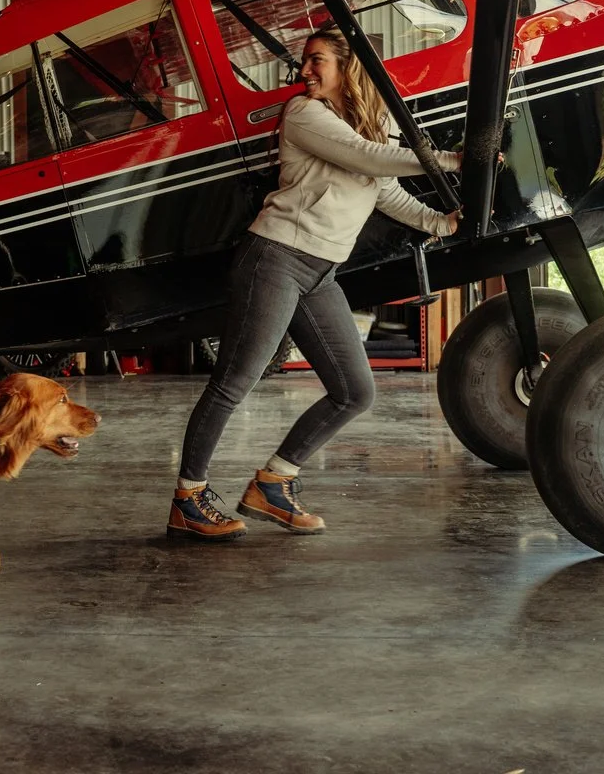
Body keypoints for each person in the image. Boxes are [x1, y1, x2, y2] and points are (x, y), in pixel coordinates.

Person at [168, 27, 462, 541]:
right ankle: (188, 498)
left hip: (320, 271)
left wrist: (443, 223)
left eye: (316, 60)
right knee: (235, 381)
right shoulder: (304, 116)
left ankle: (274, 483)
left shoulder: (373, 123)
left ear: (349, 66)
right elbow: (369, 160)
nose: (304, 71)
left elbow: (383, 189)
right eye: (305, 61)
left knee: (354, 391)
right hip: (275, 259)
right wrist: (452, 160)